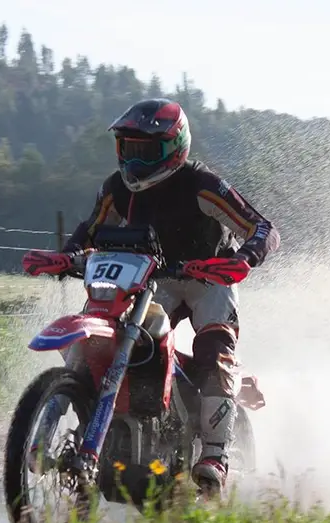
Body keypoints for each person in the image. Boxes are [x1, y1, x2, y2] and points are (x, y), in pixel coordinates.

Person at [51, 97, 280, 498]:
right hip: (154, 275)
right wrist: (66, 257)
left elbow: (262, 228)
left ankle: (214, 455)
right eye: (128, 149)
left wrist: (244, 258)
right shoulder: (116, 188)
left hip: (209, 275)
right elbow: (89, 231)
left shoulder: (203, 185)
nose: (135, 162)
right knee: (115, 333)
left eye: (146, 150)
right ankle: (90, 423)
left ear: (175, 147)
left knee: (215, 351)